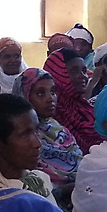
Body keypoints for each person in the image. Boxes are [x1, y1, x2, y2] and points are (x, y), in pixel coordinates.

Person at [14, 66, 81, 201]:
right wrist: (68, 190)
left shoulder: (58, 129)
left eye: (53, 92)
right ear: (25, 96)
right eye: (40, 93)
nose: (50, 99)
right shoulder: (19, 136)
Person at [46, 47, 100, 153]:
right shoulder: (51, 115)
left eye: (84, 71)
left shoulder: (86, 109)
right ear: (58, 74)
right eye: (74, 71)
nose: (83, 76)